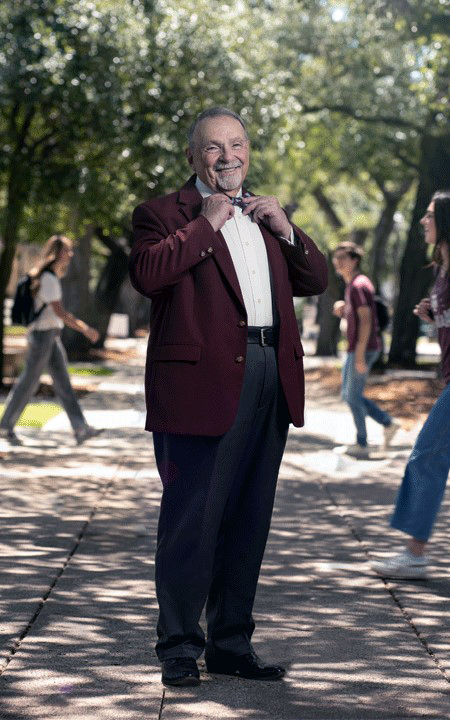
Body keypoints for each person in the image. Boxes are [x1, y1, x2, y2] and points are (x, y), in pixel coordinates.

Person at [129, 107, 328, 687]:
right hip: (202, 381)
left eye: (236, 144)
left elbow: (316, 280)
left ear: (248, 150)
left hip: (270, 370)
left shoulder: (267, 216)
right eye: (213, 147)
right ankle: (179, 650)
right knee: (193, 519)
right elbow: (148, 274)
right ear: (192, 156)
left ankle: (231, 645)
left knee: (249, 519)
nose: (227, 157)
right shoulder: (162, 214)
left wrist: (287, 228)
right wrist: (207, 225)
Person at [371, 190, 450, 580]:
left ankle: (415, 553)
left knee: (426, 458)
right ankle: (414, 551)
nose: (423, 220)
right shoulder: (442, 269)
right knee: (429, 459)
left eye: (431, 214)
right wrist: (434, 316)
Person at [0, 235, 102, 446]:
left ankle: (80, 428)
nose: (71, 254)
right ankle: (5, 426)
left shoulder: (49, 277)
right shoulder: (48, 279)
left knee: (63, 383)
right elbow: (60, 312)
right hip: (42, 337)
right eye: (67, 250)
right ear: (57, 253)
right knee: (28, 382)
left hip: (50, 336)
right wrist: (85, 329)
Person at [332, 242, 399, 457]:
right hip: (356, 348)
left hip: (363, 348)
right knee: (349, 394)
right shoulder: (353, 285)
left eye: (344, 257)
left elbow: (367, 321)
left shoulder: (359, 284)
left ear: (355, 260)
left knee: (352, 396)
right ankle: (387, 424)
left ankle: (363, 441)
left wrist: (360, 353)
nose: (339, 262)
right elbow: (358, 316)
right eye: (336, 257)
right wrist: (344, 309)